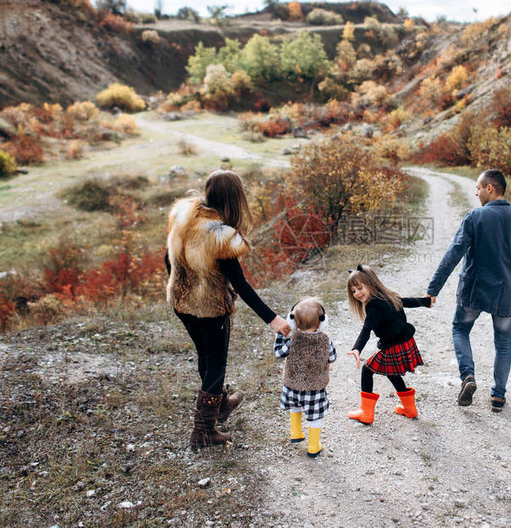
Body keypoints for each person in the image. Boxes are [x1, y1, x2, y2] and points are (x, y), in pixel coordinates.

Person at [166, 170, 290, 450]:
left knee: (206, 357)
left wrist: (179, 285)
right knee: (216, 364)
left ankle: (219, 405)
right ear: (234, 200)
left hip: (181, 303)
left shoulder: (184, 217)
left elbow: (168, 258)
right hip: (209, 308)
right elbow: (241, 285)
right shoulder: (221, 236)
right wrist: (273, 319)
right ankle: (204, 431)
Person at [425, 169, 511, 412]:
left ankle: (468, 376)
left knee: (460, 329)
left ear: (490, 188)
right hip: (507, 293)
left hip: (474, 291)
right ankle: (498, 396)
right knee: (503, 342)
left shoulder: (475, 217)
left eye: (478, 188)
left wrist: (433, 288)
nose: (476, 192)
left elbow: (453, 254)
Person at [346, 264, 431, 424]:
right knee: (391, 371)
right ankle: (410, 409)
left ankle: (366, 412)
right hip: (405, 342)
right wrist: (426, 302)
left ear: (370, 283)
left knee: (367, 369)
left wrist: (357, 348)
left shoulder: (373, 306)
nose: (357, 293)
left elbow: (366, 329)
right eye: (353, 291)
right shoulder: (386, 296)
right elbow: (407, 301)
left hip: (393, 345)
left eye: (359, 288)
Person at [273, 297, 337, 458]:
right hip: (315, 389)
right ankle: (313, 446)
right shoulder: (325, 340)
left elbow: (278, 353)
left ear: (293, 322)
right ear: (321, 322)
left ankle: (295, 432)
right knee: (315, 416)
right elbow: (333, 357)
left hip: (293, 385)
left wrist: (279, 336)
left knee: (296, 406)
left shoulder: (292, 340)